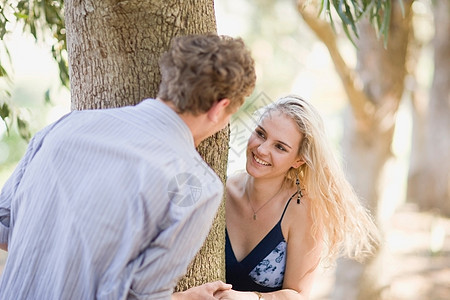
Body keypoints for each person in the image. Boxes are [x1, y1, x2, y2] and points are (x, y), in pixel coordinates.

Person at [0, 33, 256, 299]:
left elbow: (3, 224)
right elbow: (142, 296)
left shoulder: (66, 126)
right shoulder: (197, 185)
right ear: (219, 108)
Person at [216, 95, 380, 299]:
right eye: (260, 134)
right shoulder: (220, 191)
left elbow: (298, 295)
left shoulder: (303, 210)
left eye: (280, 147)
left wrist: (252, 298)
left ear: (298, 160)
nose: (261, 149)